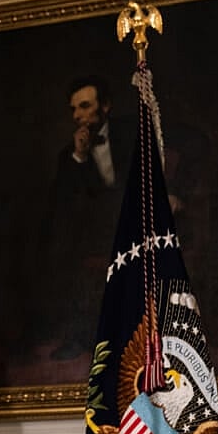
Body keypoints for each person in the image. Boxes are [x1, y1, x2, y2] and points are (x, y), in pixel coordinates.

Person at [41, 75, 133, 361]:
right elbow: (65, 202)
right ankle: (79, 337)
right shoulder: (68, 155)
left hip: (133, 220)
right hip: (94, 232)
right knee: (62, 245)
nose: (78, 115)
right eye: (74, 109)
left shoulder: (131, 133)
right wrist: (79, 157)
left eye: (85, 106)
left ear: (105, 106)